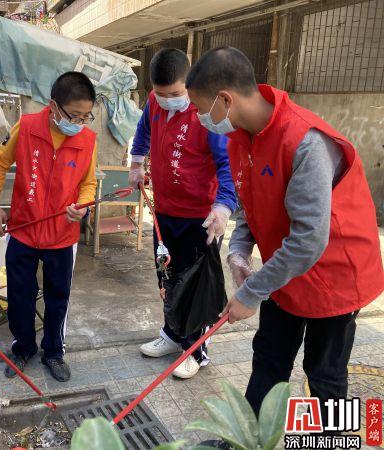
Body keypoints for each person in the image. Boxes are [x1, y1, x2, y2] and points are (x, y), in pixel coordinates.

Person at [186, 47, 384, 417]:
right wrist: (238, 251)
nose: (199, 119)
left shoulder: (304, 141)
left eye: (200, 108)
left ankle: (331, 440)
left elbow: (309, 239)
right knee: (269, 356)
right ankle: (247, 438)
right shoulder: (241, 137)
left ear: (225, 100)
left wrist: (251, 293)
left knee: (324, 373)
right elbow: (250, 204)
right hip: (286, 268)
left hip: (335, 274)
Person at [129, 49, 237, 379]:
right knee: (167, 276)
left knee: (195, 285)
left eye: (174, 94)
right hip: (164, 211)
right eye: (160, 94)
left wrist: (224, 206)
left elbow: (228, 164)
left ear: (189, 84)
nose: (166, 101)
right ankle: (172, 333)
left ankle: (195, 348)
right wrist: (136, 162)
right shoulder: (155, 101)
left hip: (199, 218)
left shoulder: (206, 113)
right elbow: (144, 130)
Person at [0, 72, 97, 382]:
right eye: (74, 115)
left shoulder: (87, 140)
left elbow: (88, 183)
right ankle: (22, 348)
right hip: (23, 228)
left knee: (58, 297)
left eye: (86, 117)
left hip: (62, 236)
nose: (80, 123)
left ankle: (54, 352)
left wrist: (83, 206)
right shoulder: (27, 127)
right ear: (53, 106)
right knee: (20, 294)